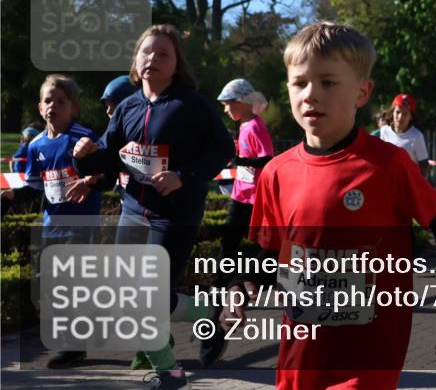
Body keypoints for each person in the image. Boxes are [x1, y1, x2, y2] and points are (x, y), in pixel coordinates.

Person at [226, 22, 436, 390]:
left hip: (367, 356)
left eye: (328, 82)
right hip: (301, 353)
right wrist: (239, 286)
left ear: (362, 92)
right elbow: (271, 255)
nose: (311, 95)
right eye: (300, 83)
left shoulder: (388, 165)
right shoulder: (276, 173)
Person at [74, 25, 236, 388]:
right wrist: (84, 158)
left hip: (174, 215)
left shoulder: (191, 105)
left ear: (176, 64)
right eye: (147, 52)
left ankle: (171, 372)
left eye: (164, 54)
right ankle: (209, 314)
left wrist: (185, 175)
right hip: (133, 210)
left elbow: (223, 150)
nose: (153, 59)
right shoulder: (127, 107)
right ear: (136, 60)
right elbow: (108, 158)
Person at [2, 75, 104, 368]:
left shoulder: (84, 139)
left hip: (81, 225)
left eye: (61, 101)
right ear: (39, 106)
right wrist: (10, 197)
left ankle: (75, 346)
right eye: (48, 100)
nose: (53, 106)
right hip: (51, 226)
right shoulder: (35, 145)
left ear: (74, 107)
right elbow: (36, 187)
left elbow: (102, 175)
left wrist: (91, 178)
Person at [211, 79, 274, 307]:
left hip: (256, 199)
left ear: (243, 102)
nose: (226, 109)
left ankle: (255, 282)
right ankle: (220, 286)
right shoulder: (243, 125)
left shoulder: (256, 126)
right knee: (229, 241)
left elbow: (268, 159)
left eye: (228, 104)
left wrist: (242, 160)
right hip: (240, 195)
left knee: (263, 245)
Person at [378, 93, 431, 180]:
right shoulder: (384, 131)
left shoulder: (417, 136)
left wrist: (416, 184)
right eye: (398, 112)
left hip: (407, 183)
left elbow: (424, 164)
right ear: (392, 112)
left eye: (405, 114)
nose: (400, 117)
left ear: (411, 117)